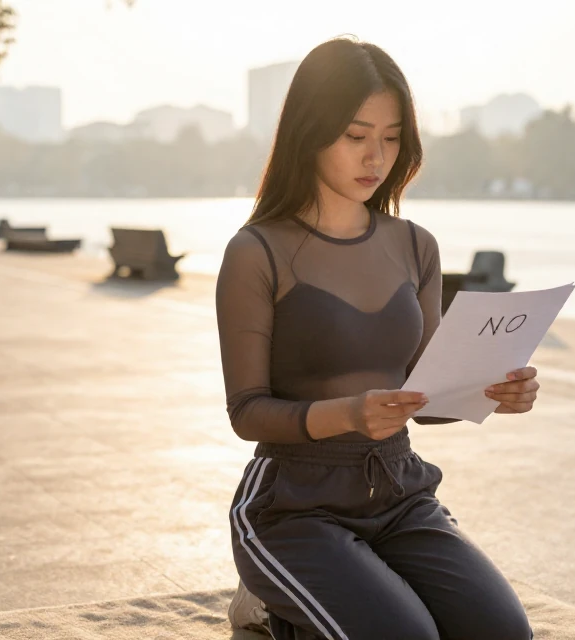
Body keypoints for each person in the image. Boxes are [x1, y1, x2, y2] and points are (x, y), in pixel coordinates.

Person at [216, 38, 541, 640]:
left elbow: (428, 392)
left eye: (391, 138)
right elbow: (247, 413)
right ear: (310, 132)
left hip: (400, 493)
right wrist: (349, 415)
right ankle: (272, 609)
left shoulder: (416, 246)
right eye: (356, 135)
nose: (376, 156)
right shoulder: (256, 251)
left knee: (504, 634)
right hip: (293, 505)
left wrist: (493, 392)